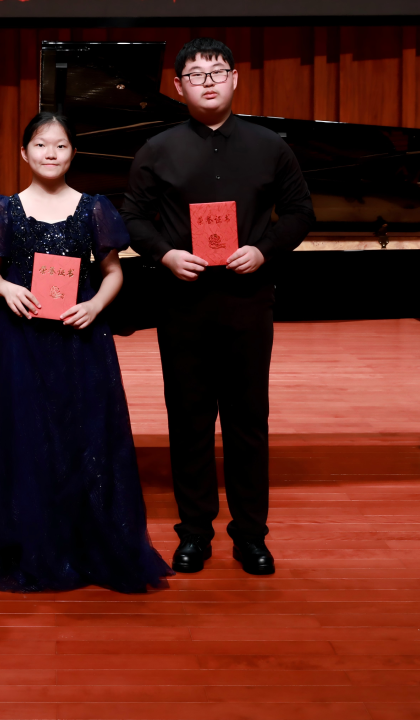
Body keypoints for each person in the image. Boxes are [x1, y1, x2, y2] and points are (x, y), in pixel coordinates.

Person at [0, 113, 173, 593]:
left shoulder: (93, 208)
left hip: (77, 337)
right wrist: (6, 288)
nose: (51, 153)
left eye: (61, 145)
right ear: (24, 153)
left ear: (73, 154)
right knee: (23, 434)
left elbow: (113, 272)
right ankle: (25, 538)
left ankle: (77, 537)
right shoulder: (4, 208)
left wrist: (94, 306)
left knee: (80, 432)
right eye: (41, 144)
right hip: (18, 337)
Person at [121, 38, 315, 576]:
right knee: (188, 420)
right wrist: (165, 254)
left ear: (234, 79)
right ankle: (194, 533)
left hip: (248, 301)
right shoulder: (157, 149)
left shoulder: (269, 146)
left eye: (216, 71)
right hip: (182, 302)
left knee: (248, 421)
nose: (207, 81)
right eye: (195, 74)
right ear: (178, 86)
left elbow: (300, 212)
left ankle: (251, 535)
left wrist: (264, 249)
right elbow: (131, 217)